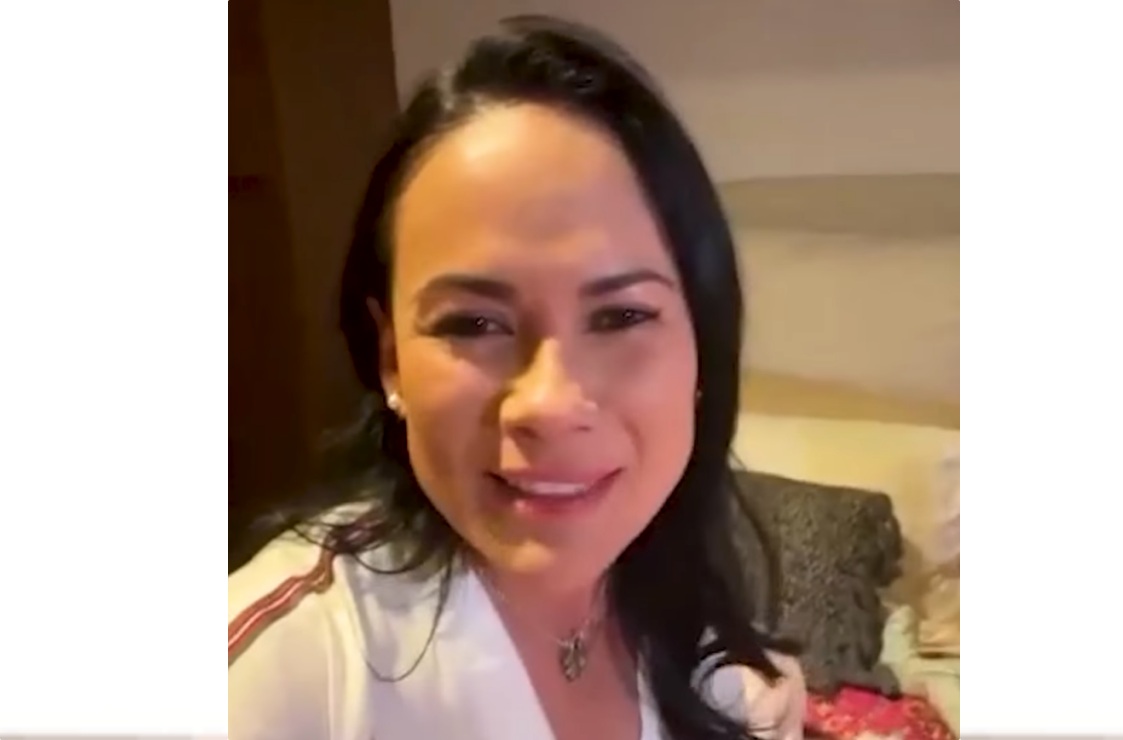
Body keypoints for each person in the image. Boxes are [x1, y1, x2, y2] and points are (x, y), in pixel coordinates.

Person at [229, 14, 805, 740]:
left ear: (702, 346)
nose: (550, 403)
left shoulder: (703, 635)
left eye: (621, 316)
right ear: (390, 357)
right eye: (473, 323)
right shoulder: (280, 671)